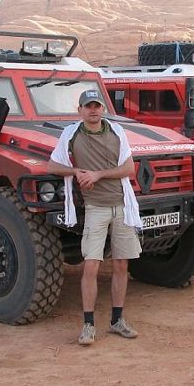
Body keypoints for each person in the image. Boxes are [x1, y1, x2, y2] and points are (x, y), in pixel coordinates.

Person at [48, 89, 143, 346]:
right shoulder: (71, 134)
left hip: (121, 205)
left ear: (103, 109)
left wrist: (98, 175)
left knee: (121, 264)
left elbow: (129, 168)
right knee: (91, 265)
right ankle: (88, 325)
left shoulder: (116, 131)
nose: (93, 110)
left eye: (97, 106)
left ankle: (117, 320)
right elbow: (52, 165)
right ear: (79, 110)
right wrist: (76, 171)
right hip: (95, 208)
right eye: (88, 106)